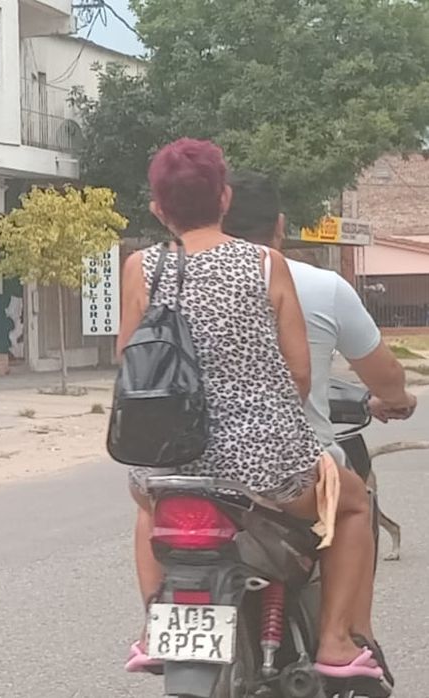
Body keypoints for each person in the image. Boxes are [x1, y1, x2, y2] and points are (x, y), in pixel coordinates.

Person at [121, 139, 387, 686]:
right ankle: (336, 642)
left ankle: (156, 629)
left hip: (170, 459)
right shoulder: (266, 262)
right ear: (223, 197)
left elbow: (131, 363)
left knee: (149, 503)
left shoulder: (139, 267)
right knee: (354, 503)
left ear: (157, 208)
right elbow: (300, 372)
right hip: (267, 465)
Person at [222, 170, 417, 449]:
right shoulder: (323, 287)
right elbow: (385, 375)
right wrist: (399, 400)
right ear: (279, 225)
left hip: (187, 466)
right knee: (355, 490)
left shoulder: (177, 284)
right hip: (296, 464)